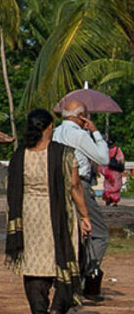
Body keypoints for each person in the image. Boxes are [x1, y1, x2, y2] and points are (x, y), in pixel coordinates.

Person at [7, 109, 92, 314]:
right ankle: (57, 310)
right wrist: (85, 216)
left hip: (29, 215)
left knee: (34, 265)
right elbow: (75, 187)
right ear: (47, 128)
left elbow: (13, 188)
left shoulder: (19, 155)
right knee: (65, 258)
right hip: (59, 216)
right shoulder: (64, 154)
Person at [52, 99, 110, 299]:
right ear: (81, 117)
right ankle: (87, 274)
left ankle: (70, 275)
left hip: (58, 185)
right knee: (100, 234)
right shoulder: (78, 134)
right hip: (79, 184)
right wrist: (95, 133)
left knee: (72, 232)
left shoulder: (56, 132)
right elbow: (103, 159)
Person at [99, 138, 126, 206]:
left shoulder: (106, 150)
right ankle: (114, 200)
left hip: (107, 170)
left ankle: (108, 196)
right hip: (115, 171)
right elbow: (121, 159)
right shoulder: (117, 150)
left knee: (108, 184)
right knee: (116, 185)